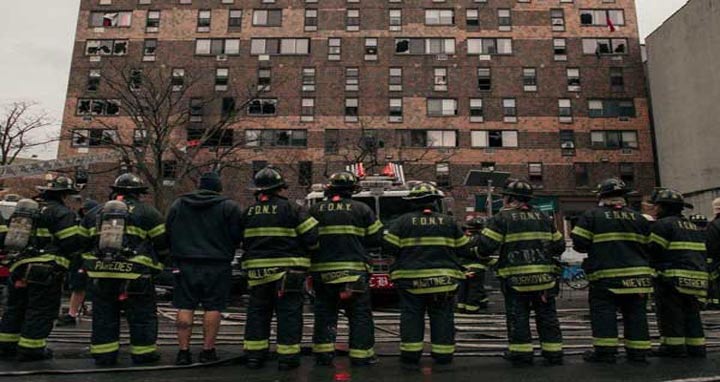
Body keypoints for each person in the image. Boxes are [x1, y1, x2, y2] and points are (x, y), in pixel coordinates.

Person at [80, 173, 168, 366]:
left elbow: (80, 242)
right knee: (142, 315)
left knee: (103, 315)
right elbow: (162, 244)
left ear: (115, 191)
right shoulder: (148, 213)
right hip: (136, 275)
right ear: (139, 193)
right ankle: (143, 354)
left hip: (101, 274)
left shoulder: (95, 212)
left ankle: (104, 355)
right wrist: (157, 266)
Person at [475, 180, 565, 366]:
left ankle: (521, 353)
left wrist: (477, 253)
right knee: (547, 316)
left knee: (518, 316)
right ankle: (553, 353)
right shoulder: (543, 217)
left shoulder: (501, 219)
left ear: (509, 198)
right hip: (545, 280)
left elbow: (486, 246)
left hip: (516, 280)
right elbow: (559, 246)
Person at [240, 167, 319, 371]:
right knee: (289, 313)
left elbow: (240, 240)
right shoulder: (293, 209)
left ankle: (255, 357)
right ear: (280, 188)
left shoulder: (247, 212)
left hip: (257, 273)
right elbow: (312, 237)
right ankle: (288, 358)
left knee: (257, 312)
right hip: (288, 272)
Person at [383, 183, 471, 366]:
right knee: (442, 316)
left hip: (410, 280)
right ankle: (443, 354)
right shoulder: (449, 222)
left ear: (413, 202)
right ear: (435, 202)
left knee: (412, 316)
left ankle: (411, 355)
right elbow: (464, 249)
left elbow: (389, 247)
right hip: (444, 281)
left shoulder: (401, 222)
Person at [0, 176, 82, 361]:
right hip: (45, 270)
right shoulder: (63, 213)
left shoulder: (26, 212)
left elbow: (5, 238)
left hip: (18, 266)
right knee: (40, 310)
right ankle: (32, 349)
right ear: (64, 195)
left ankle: (6, 346)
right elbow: (70, 243)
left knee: (15, 308)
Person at [571, 178, 653, 364]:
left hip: (606, 277)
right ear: (623, 198)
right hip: (638, 278)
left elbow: (580, 243)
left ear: (601, 196)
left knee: (604, 314)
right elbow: (650, 246)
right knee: (636, 315)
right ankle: (638, 352)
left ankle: (606, 352)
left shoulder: (591, 216)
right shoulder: (639, 218)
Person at [166, 172, 243, 365]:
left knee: (185, 305)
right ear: (218, 188)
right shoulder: (229, 207)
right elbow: (238, 236)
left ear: (199, 186)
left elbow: (167, 231)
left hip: (185, 263)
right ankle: (208, 350)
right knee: (213, 307)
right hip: (217, 264)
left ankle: (183, 352)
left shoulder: (179, 205)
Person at [309, 171, 382, 367]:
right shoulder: (362, 209)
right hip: (354, 272)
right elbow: (376, 238)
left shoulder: (315, 210)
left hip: (322, 273)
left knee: (324, 313)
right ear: (352, 190)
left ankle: (323, 355)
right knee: (359, 314)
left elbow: (306, 238)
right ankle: (362, 356)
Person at [648, 189, 708, 358]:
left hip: (672, 279)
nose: (655, 210)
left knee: (671, 315)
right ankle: (697, 347)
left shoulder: (663, 225)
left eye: (657, 206)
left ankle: (673, 348)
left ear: (663, 207)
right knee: (692, 314)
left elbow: (654, 250)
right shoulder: (693, 226)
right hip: (697, 278)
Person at [58, 198, 99, 326]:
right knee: (79, 287)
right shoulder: (90, 221)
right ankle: (72, 313)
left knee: (83, 288)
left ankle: (73, 314)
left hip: (88, 259)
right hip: (85, 260)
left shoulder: (85, 222)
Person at [457, 217, 490, 314]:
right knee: (474, 289)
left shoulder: (463, 239)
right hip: (477, 268)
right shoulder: (481, 239)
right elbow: (484, 253)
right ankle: (472, 308)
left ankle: (461, 307)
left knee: (463, 289)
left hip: (462, 268)